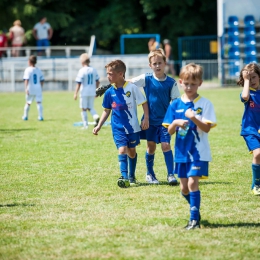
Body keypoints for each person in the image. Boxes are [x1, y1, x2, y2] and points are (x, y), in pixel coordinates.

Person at [163, 63, 217, 230]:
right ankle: (196, 209)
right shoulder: (175, 105)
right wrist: (176, 122)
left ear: (200, 83)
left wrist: (193, 118)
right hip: (181, 153)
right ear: (180, 82)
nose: (189, 87)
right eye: (186, 83)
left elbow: (207, 128)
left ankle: (194, 220)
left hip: (198, 152)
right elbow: (169, 132)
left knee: (193, 183)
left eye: (193, 84)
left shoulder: (205, 104)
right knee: (184, 188)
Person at [93, 60, 149, 188]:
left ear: (120, 74)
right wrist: (99, 125)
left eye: (110, 74)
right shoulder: (109, 92)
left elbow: (144, 102)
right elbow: (106, 111)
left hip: (133, 127)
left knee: (132, 151)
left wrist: (146, 118)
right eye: (107, 74)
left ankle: (132, 175)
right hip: (118, 128)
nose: (108, 76)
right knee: (122, 149)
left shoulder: (132, 88)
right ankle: (124, 177)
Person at [130, 48, 180, 185]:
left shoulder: (171, 82)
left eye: (160, 63)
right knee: (151, 147)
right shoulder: (146, 79)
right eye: (154, 63)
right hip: (149, 121)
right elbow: (128, 83)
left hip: (165, 122)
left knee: (166, 145)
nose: (157, 66)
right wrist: (116, 82)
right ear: (150, 65)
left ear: (165, 63)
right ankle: (150, 174)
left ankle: (171, 174)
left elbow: (176, 102)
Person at [237, 63, 260, 195]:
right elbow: (245, 97)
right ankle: (256, 185)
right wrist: (246, 80)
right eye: (248, 78)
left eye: (254, 77)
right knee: (257, 154)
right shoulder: (247, 93)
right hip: (249, 129)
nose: (251, 81)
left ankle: (256, 182)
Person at [74, 53, 100, 129]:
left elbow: (78, 83)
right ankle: (96, 116)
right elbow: (98, 81)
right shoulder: (94, 70)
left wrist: (75, 93)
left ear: (82, 62)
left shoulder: (82, 70)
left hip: (84, 92)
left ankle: (85, 125)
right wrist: (96, 90)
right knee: (90, 107)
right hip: (92, 91)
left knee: (83, 108)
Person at [22, 55, 44, 121]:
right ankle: (40, 117)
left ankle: (25, 116)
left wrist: (26, 88)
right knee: (39, 102)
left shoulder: (28, 70)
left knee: (28, 102)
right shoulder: (38, 69)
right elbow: (42, 80)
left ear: (30, 61)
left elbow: (26, 79)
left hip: (30, 88)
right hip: (38, 88)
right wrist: (41, 88)